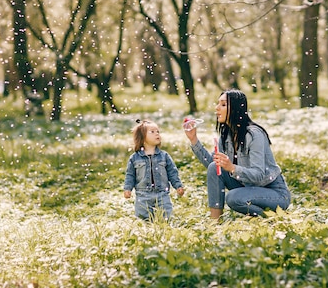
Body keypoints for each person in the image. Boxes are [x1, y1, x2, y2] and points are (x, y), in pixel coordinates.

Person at [184, 89, 291, 218]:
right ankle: (214, 222)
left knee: (233, 198)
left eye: (223, 105)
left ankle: (274, 218)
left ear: (235, 108)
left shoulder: (254, 135)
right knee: (214, 167)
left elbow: (258, 175)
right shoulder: (226, 135)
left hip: (274, 192)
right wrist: (193, 140)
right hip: (249, 188)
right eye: (218, 104)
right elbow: (215, 168)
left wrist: (232, 168)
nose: (217, 108)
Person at [124, 119, 185, 220]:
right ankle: (146, 232)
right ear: (142, 137)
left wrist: (178, 185)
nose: (157, 134)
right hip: (143, 195)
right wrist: (127, 188)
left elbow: (172, 173)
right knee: (143, 218)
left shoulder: (164, 156)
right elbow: (130, 175)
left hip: (162, 193)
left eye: (158, 132)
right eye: (152, 132)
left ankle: (164, 229)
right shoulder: (135, 158)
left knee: (166, 217)